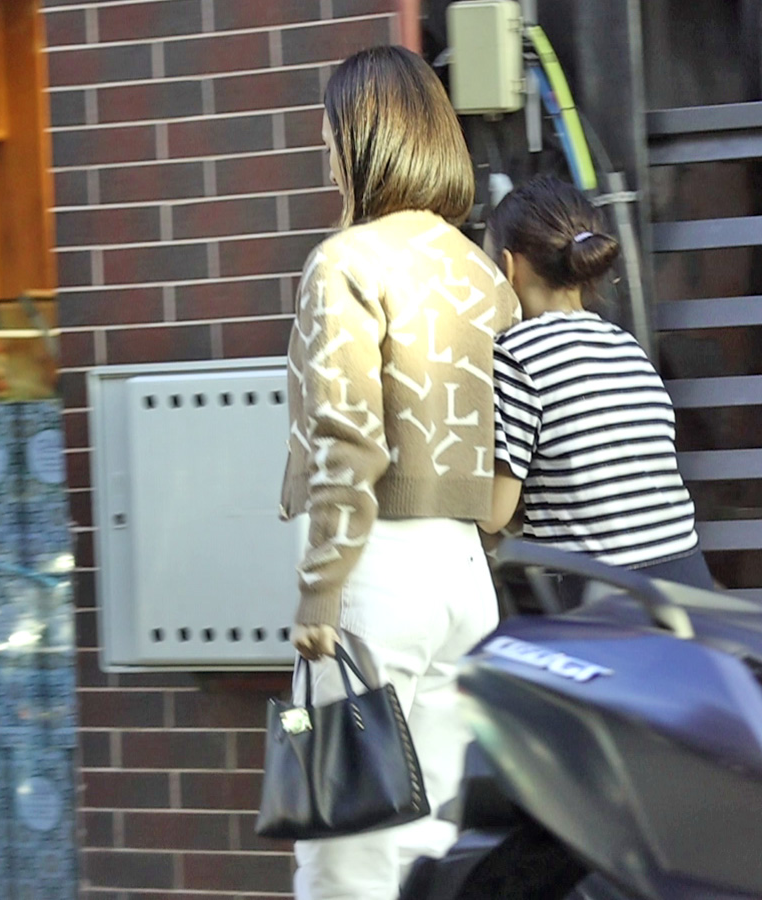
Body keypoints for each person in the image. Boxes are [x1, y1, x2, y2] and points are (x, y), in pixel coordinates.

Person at [279, 45, 521, 900]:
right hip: (465, 576)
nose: (326, 153)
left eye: (331, 135)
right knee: (431, 850)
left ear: (363, 139)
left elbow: (345, 438)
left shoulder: (345, 262)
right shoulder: (484, 274)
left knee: (343, 846)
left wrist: (320, 589)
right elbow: (513, 437)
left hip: (371, 567)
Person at [479, 175, 714, 596]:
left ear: (509, 268)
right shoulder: (625, 344)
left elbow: (494, 513)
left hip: (604, 597)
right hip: (687, 581)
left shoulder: (515, 354)